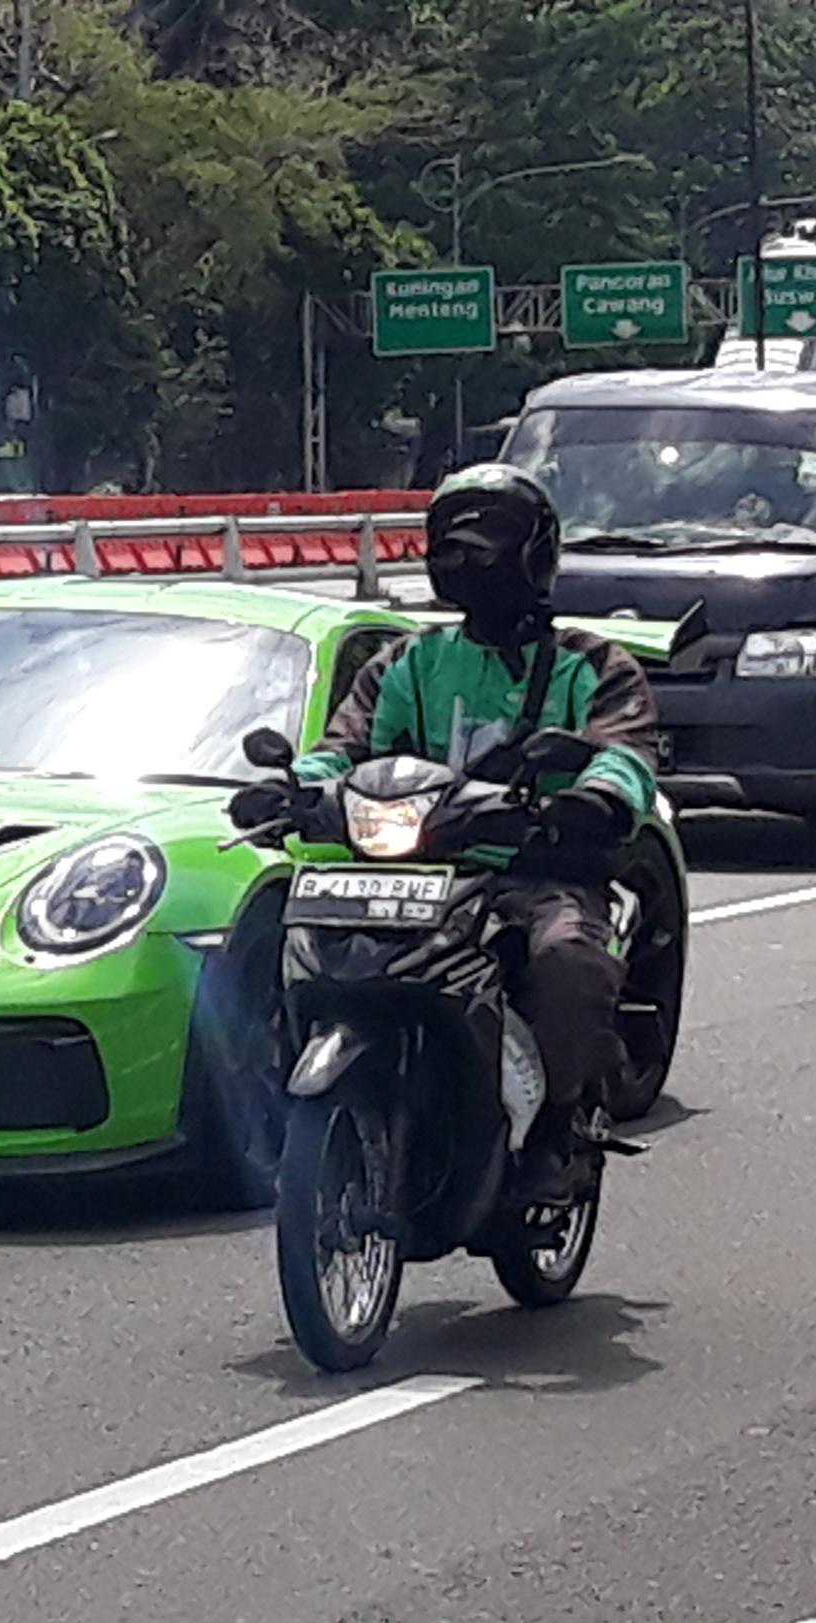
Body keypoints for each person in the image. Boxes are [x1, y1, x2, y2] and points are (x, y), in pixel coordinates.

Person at [234, 462, 661, 1203]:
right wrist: (294, 788)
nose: (470, 558)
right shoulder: (408, 661)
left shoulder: (589, 665)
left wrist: (592, 797)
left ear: (536, 554)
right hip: (406, 874)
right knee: (278, 923)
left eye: (487, 539)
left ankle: (557, 1127)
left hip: (532, 870)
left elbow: (627, 753)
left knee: (565, 957)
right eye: (454, 543)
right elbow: (349, 747)